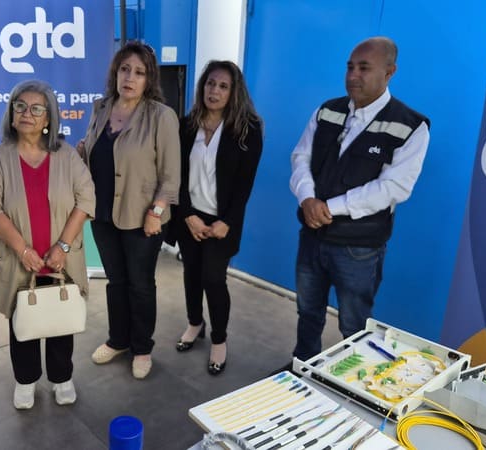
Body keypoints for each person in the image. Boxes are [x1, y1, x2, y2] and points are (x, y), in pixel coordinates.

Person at [288, 36, 430, 363]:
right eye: (350, 67)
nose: (353, 75)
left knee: (354, 325)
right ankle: (302, 367)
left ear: (389, 72)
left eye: (364, 68)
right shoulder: (328, 111)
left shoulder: (410, 126)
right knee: (307, 311)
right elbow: (300, 157)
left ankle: (350, 381)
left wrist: (329, 208)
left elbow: (394, 187)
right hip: (312, 237)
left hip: (358, 249)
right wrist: (307, 198)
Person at [0, 80, 94, 410]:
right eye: (20, 106)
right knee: (22, 323)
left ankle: (62, 378)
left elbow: (86, 199)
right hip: (18, 260)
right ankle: (25, 381)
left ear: (48, 118)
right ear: (11, 113)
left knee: (60, 320)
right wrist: (22, 250)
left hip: (60, 259)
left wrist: (63, 246)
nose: (27, 113)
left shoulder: (67, 155)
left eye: (36, 109)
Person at [78, 41, 180, 379]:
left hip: (143, 217)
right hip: (103, 213)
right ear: (116, 73)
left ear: (149, 79)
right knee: (116, 282)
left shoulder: (161, 116)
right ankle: (118, 340)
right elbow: (95, 154)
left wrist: (157, 211)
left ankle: (142, 347)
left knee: (140, 284)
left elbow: (171, 175)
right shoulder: (101, 108)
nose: (130, 78)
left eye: (139, 72)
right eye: (125, 69)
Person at [169, 61, 263, 376]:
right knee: (191, 274)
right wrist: (187, 215)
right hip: (190, 216)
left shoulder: (248, 129)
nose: (215, 91)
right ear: (202, 87)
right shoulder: (186, 125)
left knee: (212, 277)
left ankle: (219, 339)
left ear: (234, 92)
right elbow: (176, 176)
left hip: (222, 221)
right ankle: (195, 323)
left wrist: (228, 221)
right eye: (210, 84)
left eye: (223, 86)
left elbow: (244, 185)